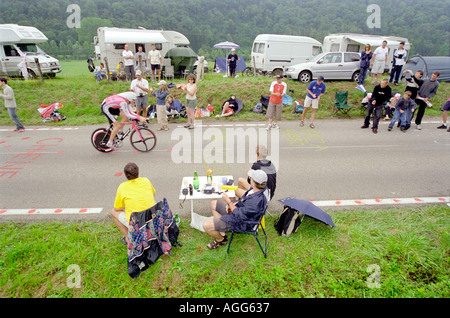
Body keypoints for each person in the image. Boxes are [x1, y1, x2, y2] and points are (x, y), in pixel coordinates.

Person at [203, 169, 269, 250]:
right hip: (240, 211)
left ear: (254, 182)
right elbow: (244, 201)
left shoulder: (255, 201)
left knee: (206, 225)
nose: (249, 178)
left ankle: (221, 240)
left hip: (242, 222)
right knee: (213, 203)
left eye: (251, 178)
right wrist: (234, 204)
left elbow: (239, 215)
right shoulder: (256, 190)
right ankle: (222, 231)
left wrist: (229, 202)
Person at [110, 162, 156, 243]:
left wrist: (126, 205)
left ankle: (128, 238)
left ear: (125, 175)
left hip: (137, 223)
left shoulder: (122, 187)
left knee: (113, 212)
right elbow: (153, 195)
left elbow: (117, 208)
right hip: (152, 218)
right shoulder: (146, 180)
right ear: (138, 173)